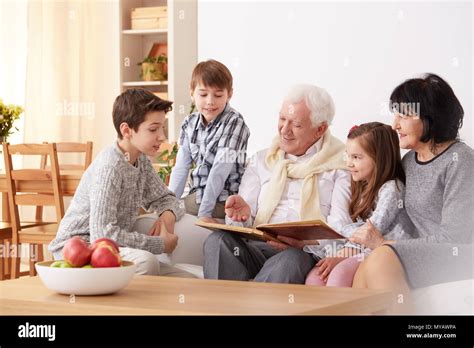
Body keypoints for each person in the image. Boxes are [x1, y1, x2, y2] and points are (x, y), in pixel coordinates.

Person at [203, 84, 353, 284]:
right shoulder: (261, 160)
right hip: (256, 247)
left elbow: (341, 228)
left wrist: (305, 244)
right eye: (282, 119)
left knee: (291, 260)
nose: (285, 130)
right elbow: (242, 224)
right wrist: (242, 216)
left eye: (296, 125)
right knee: (217, 241)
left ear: (320, 129)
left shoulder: (340, 166)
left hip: (300, 253)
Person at [350, 73, 474, 313]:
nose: (395, 125)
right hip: (422, 253)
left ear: (430, 118)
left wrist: (386, 244)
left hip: (460, 253)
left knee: (382, 258)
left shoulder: (460, 160)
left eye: (404, 116)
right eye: (395, 115)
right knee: (364, 269)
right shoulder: (409, 162)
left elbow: (454, 238)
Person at [49, 89, 193, 277]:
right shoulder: (110, 167)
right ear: (126, 130)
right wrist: (159, 244)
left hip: (108, 248)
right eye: (153, 129)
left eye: (162, 128)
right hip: (81, 250)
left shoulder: (140, 160)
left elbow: (166, 197)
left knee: (185, 279)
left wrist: (167, 215)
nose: (162, 137)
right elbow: (102, 234)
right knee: (147, 262)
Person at [305, 122, 415, 287]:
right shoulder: (362, 185)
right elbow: (357, 232)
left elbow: (369, 233)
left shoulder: (392, 189)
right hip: (361, 247)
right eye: (347, 156)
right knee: (316, 278)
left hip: (382, 249)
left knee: (339, 276)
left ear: (379, 158)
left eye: (356, 157)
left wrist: (340, 250)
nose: (349, 163)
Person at [169, 59, 250, 223]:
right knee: (164, 213)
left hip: (222, 200)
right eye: (203, 94)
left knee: (167, 217)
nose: (210, 101)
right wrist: (168, 205)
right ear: (192, 93)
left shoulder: (234, 122)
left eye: (218, 95)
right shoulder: (189, 123)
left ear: (230, 94)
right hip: (196, 195)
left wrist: (204, 214)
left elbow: (219, 171)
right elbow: (181, 168)